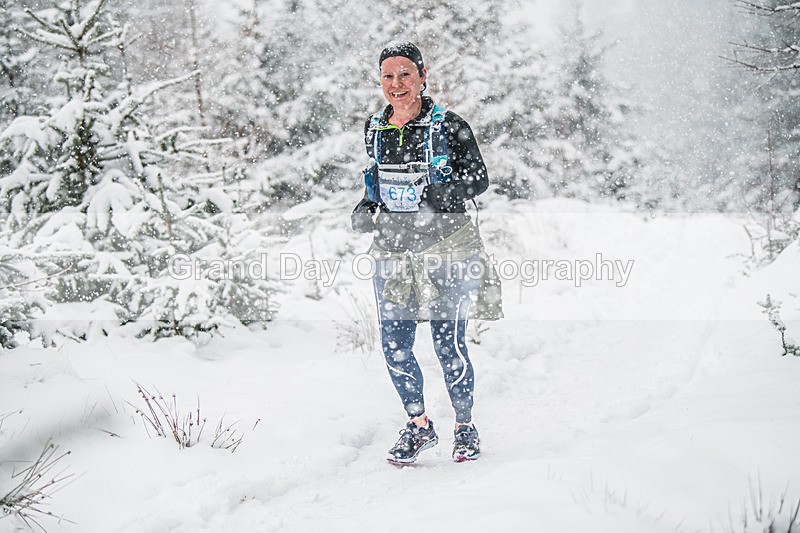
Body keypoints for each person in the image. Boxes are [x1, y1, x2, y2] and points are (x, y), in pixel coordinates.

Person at [351, 42, 501, 464]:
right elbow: (376, 184)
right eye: (387, 76)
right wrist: (366, 207)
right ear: (380, 81)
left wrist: (442, 195)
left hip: (446, 247)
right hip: (394, 250)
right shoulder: (374, 129)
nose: (396, 84)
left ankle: (465, 426)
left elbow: (479, 179)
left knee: (446, 343)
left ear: (421, 76)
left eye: (404, 74)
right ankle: (418, 425)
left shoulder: (449, 126)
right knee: (394, 343)